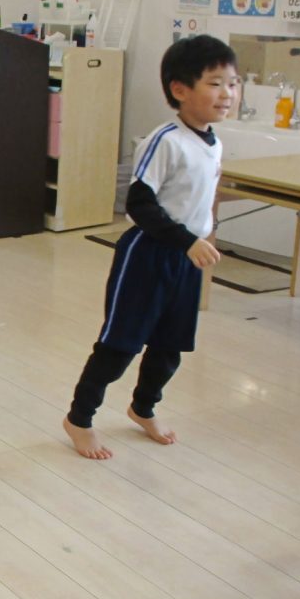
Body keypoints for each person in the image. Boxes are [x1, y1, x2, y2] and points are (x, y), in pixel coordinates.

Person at [63, 34, 233, 460]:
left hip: (185, 259)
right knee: (120, 344)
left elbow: (198, 201)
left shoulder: (213, 143)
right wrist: (187, 239)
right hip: (147, 254)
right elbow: (139, 203)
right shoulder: (167, 140)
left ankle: (143, 408)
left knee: (170, 347)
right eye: (215, 83)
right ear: (180, 89)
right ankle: (79, 418)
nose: (227, 93)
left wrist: (201, 237)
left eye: (233, 83)